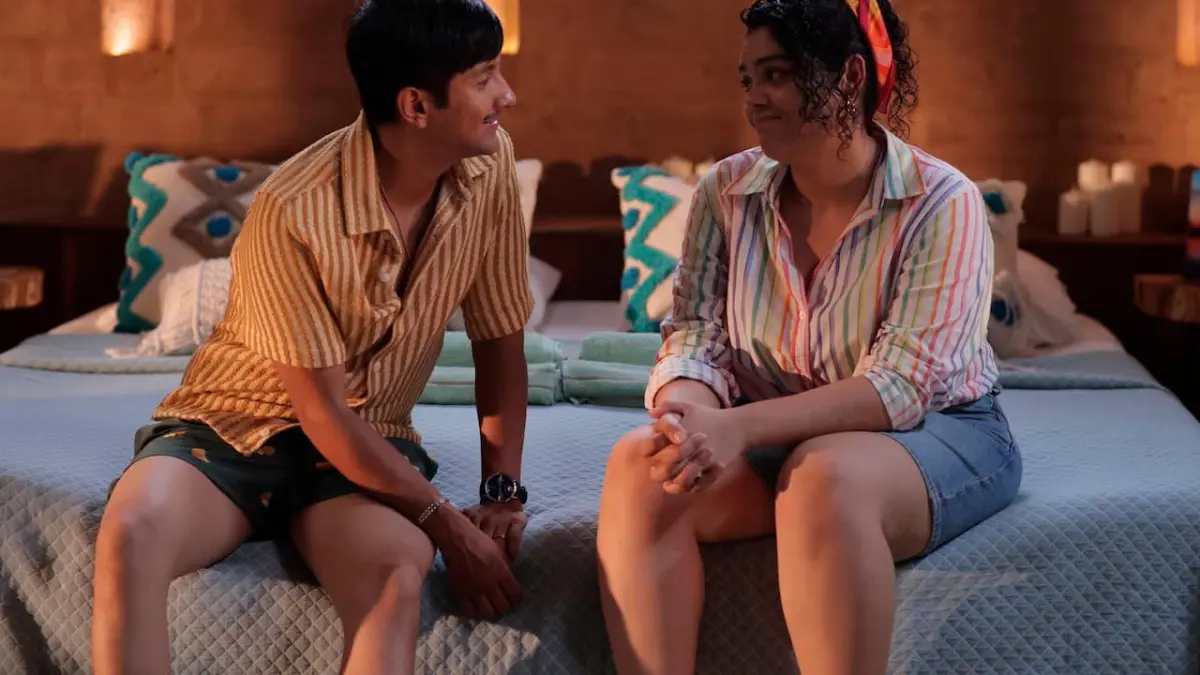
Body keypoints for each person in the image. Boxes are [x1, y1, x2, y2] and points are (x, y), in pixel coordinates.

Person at [91, 1, 534, 674]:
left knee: (395, 575)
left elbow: (499, 341)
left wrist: (502, 491)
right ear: (417, 105)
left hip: (371, 438)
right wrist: (450, 525)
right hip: (232, 426)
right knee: (130, 534)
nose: (507, 94)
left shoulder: (490, 164)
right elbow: (321, 412)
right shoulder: (294, 207)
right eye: (485, 77)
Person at [596, 0, 1023, 673]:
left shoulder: (944, 202)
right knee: (642, 467)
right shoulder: (724, 192)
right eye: (747, 79)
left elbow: (899, 388)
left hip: (937, 430)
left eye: (777, 75)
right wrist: (689, 415)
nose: (754, 98)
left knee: (823, 475)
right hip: (774, 433)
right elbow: (696, 334)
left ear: (849, 77)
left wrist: (738, 427)